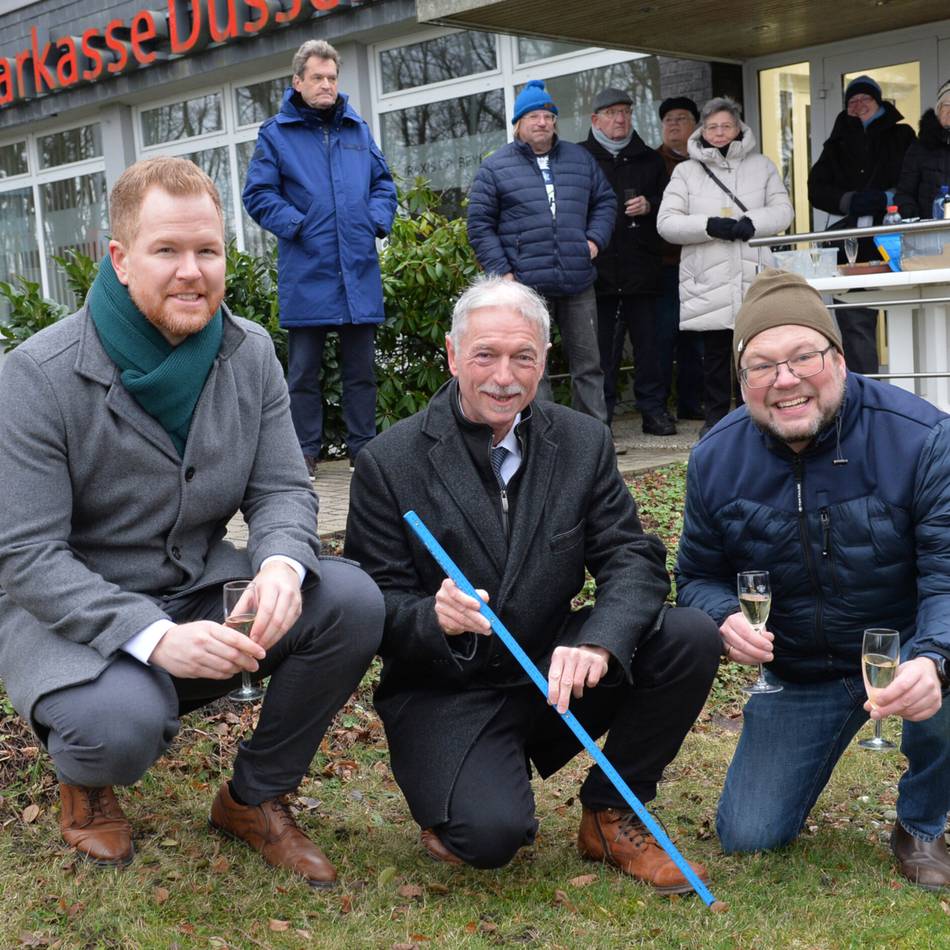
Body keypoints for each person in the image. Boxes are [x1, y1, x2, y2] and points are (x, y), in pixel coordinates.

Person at [0, 157, 384, 885]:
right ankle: (87, 781)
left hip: (203, 592)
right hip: (73, 617)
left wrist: (279, 564)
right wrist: (154, 638)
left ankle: (254, 797)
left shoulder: (251, 353)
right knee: (119, 728)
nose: (192, 272)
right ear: (118, 258)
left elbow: (281, 490)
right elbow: (26, 556)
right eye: (167, 251)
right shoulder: (35, 375)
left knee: (350, 601)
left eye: (207, 250)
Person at [343, 275, 720, 893]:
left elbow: (633, 557)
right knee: (488, 840)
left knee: (687, 636)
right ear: (453, 354)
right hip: (450, 690)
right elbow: (375, 605)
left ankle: (609, 813)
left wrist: (599, 640)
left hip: (552, 669)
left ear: (545, 360)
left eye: (524, 357)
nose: (504, 376)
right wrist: (430, 617)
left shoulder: (581, 440)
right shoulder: (390, 460)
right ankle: (479, 787)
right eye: (485, 355)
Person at [676, 268, 950, 890]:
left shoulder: (922, 438)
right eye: (762, 366)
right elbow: (695, 575)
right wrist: (722, 616)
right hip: (799, 670)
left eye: (804, 356)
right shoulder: (715, 458)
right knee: (747, 836)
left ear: (840, 357)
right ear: (741, 380)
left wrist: (933, 660)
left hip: (903, 651)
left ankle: (923, 824)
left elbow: (946, 576)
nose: (786, 380)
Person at [243, 39, 397, 477]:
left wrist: (373, 221)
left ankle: (363, 450)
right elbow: (258, 194)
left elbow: (384, 185)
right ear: (298, 82)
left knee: (361, 373)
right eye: (318, 77)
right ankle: (304, 454)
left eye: (332, 77)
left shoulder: (358, 129)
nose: (327, 84)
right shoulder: (276, 134)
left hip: (357, 269)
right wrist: (299, 224)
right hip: (308, 269)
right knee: (304, 375)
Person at [467, 80, 616, 424]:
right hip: (524, 286)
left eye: (548, 116)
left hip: (578, 280)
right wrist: (502, 272)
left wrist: (594, 240)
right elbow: (479, 224)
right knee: (531, 365)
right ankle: (540, 436)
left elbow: (606, 201)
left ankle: (595, 435)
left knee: (589, 363)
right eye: (533, 116)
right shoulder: (495, 167)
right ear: (518, 124)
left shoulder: (580, 159)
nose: (542, 122)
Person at [657, 96, 793, 437]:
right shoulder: (687, 171)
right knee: (715, 356)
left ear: (739, 128)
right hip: (709, 275)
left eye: (726, 126)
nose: (719, 133)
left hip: (753, 275)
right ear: (703, 129)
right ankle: (717, 424)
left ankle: (758, 416)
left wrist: (752, 221)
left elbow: (784, 211)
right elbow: (667, 223)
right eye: (713, 126)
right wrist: (708, 225)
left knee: (757, 351)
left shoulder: (761, 166)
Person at [580, 87, 675, 436]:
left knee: (650, 348)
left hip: (642, 267)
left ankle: (654, 412)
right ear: (595, 120)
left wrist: (651, 204)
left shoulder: (650, 159)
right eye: (612, 113)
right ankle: (599, 419)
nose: (620, 119)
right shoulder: (579, 159)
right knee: (600, 351)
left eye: (625, 112)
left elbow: (672, 205)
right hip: (598, 271)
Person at [808, 75, 916, 375]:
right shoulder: (836, 143)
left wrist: (887, 198)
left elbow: (914, 178)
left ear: (878, 103)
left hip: (895, 240)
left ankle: (910, 391)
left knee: (906, 316)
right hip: (850, 246)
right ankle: (866, 389)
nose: (858, 106)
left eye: (865, 99)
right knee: (855, 324)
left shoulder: (902, 134)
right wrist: (848, 201)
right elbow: (816, 188)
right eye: (852, 102)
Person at [655, 96, 705, 422]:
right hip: (663, 266)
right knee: (662, 338)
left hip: (702, 263)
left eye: (682, 118)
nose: (674, 124)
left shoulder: (707, 162)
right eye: (668, 119)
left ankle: (694, 403)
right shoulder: (651, 163)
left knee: (698, 337)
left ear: (695, 125)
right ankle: (658, 407)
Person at [896, 79, 950, 218]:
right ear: (938, 109)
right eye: (947, 104)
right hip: (929, 231)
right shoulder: (920, 148)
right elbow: (904, 193)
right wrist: (911, 215)